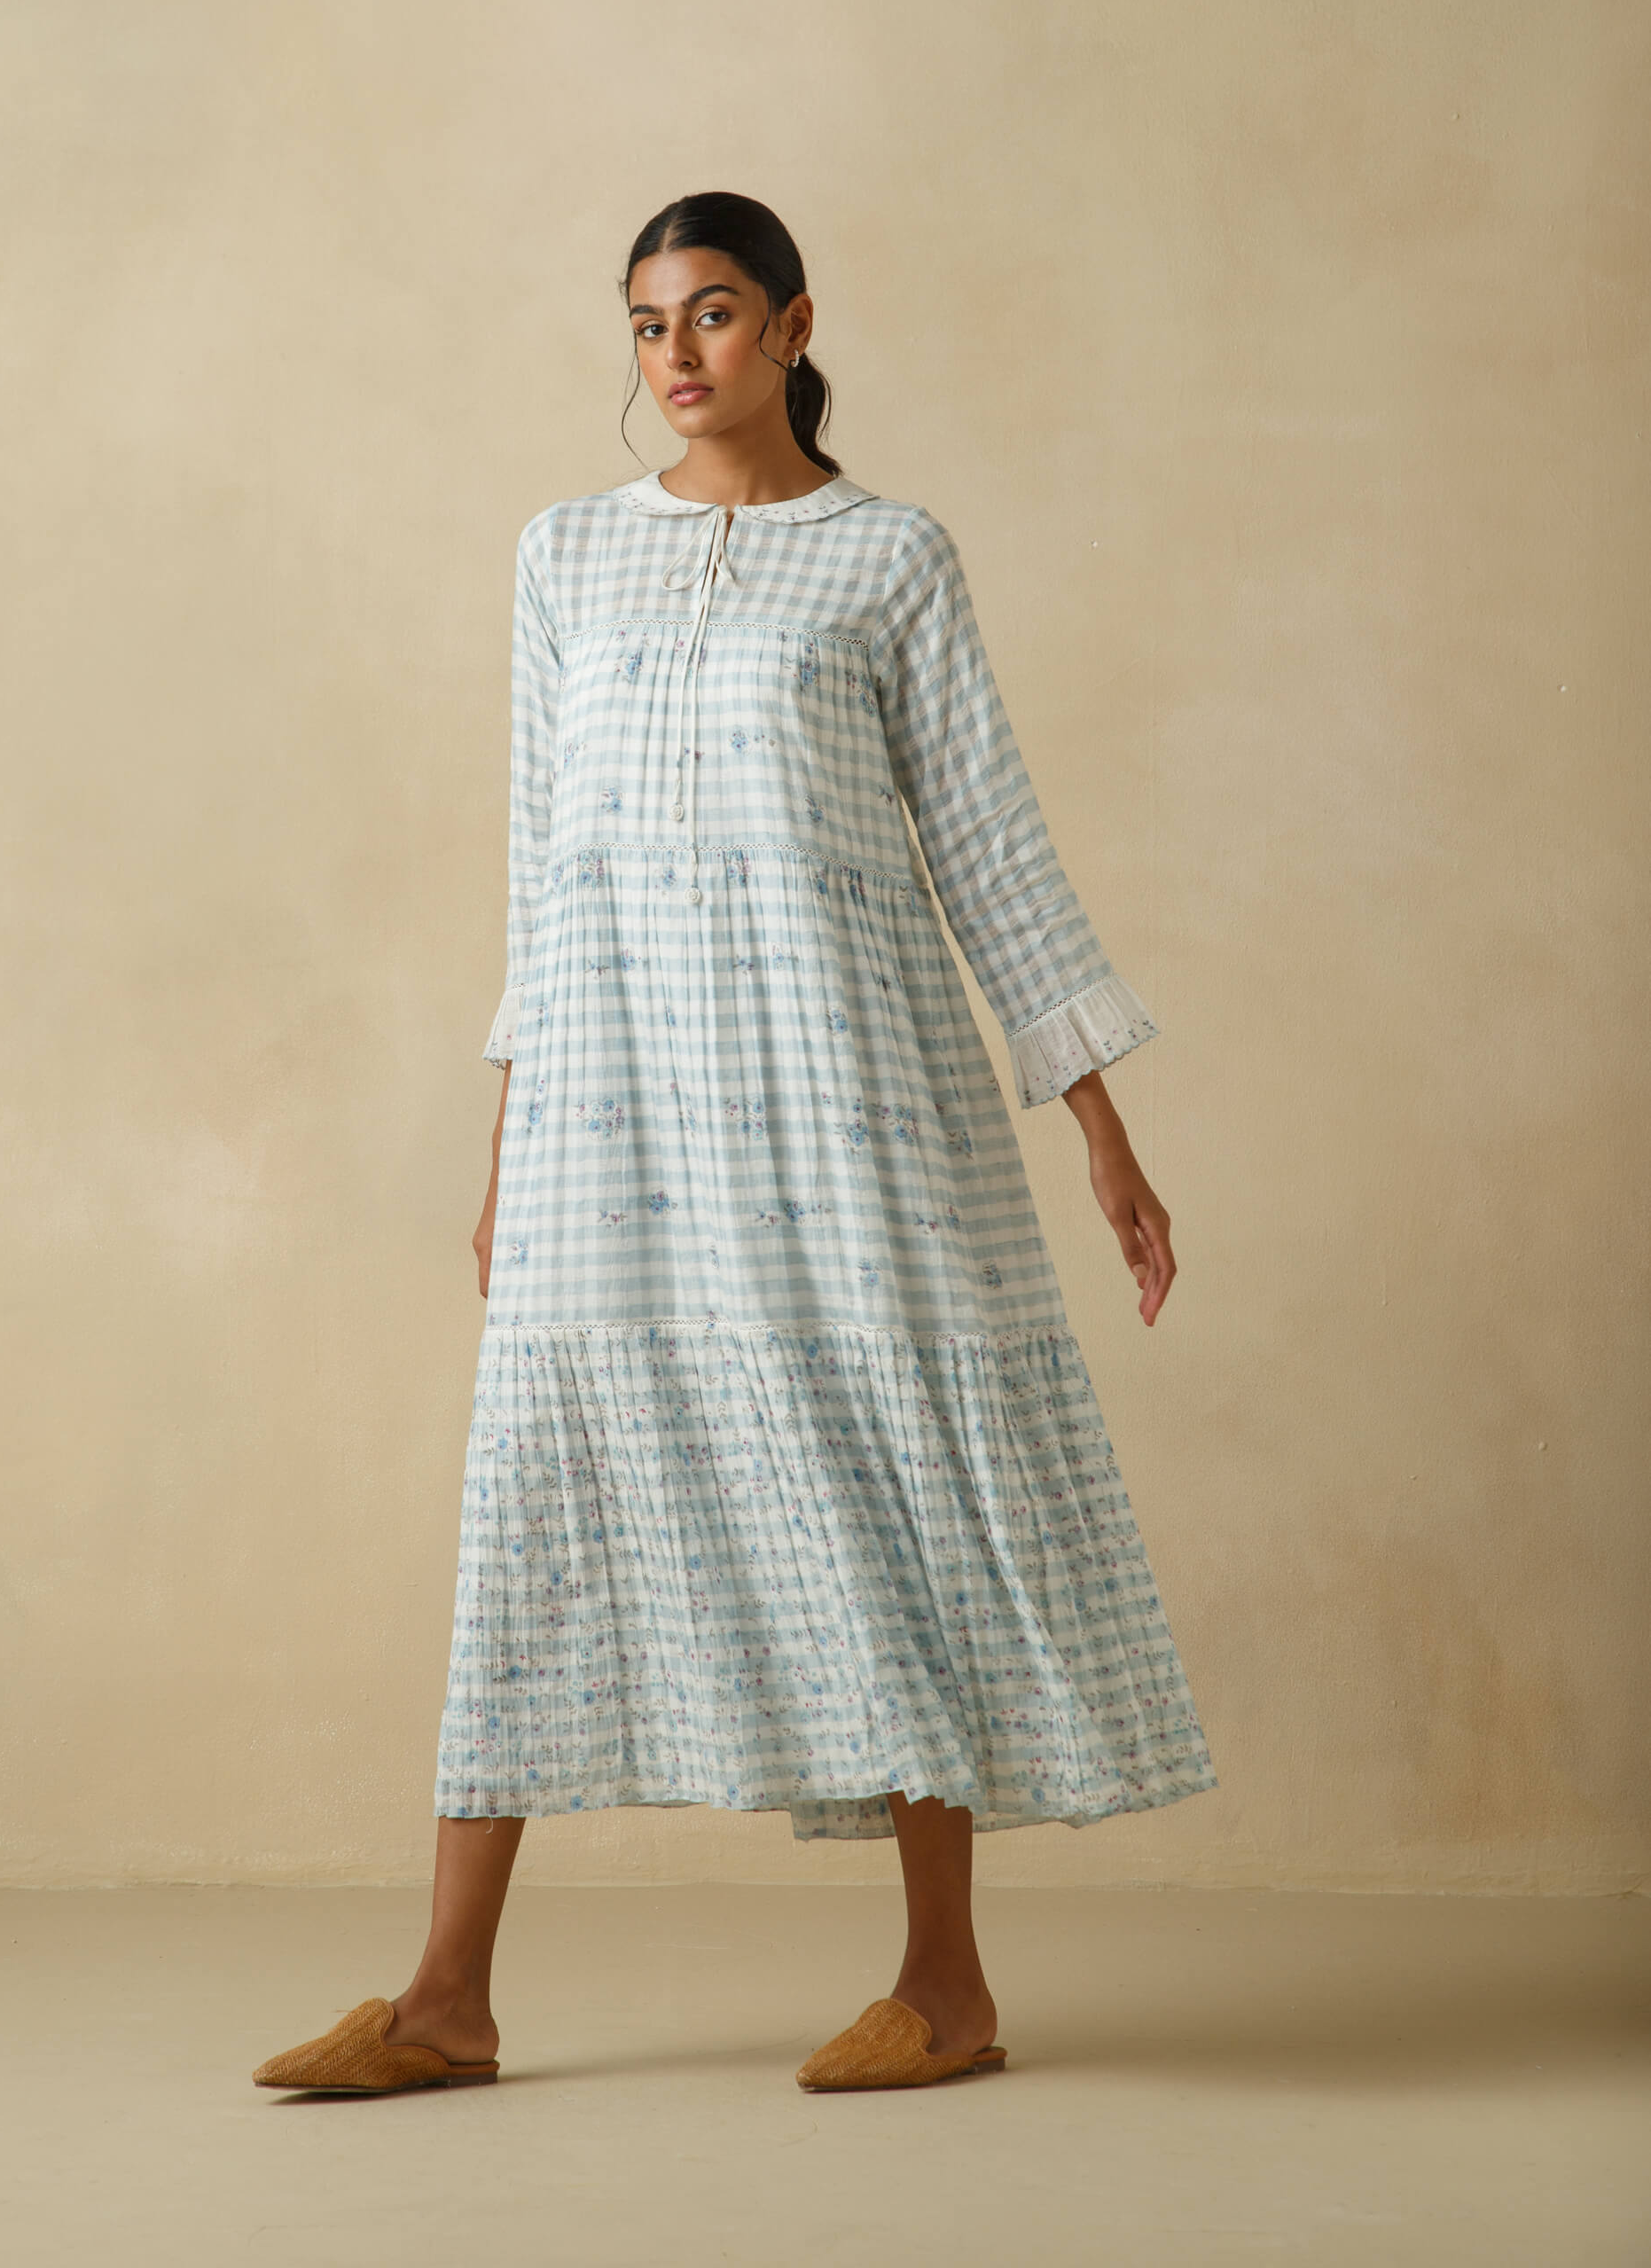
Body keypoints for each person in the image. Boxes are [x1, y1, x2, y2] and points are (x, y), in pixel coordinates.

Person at [253, 191, 1216, 2100]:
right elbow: (548, 872)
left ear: (788, 329)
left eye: (708, 315)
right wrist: (512, 1139)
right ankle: (446, 1998)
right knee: (539, 1502)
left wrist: (1099, 1122)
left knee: (887, 1480)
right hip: (617, 1104)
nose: (674, 356)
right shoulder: (564, 562)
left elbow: (991, 851)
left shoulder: (890, 562)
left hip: (852, 1096)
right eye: (642, 326)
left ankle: (947, 1982)